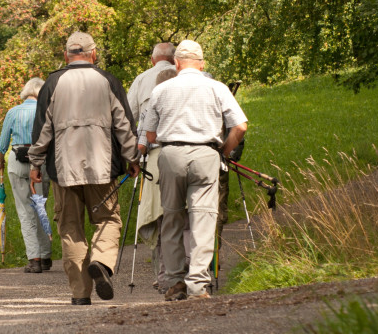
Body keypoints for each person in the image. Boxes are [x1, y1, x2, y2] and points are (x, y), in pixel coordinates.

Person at [29, 32, 141, 305]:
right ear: (93, 54)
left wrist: (35, 163)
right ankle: (102, 262)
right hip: (102, 167)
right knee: (107, 219)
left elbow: (42, 130)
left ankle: (80, 294)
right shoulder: (108, 81)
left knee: (70, 227)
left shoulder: (52, 83)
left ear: (66, 55)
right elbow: (123, 125)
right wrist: (133, 158)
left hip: (62, 170)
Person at [141, 39, 247, 300]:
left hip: (171, 154)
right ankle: (198, 284)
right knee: (203, 219)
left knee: (172, 218)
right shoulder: (217, 88)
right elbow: (241, 126)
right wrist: (222, 151)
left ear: (176, 63)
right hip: (206, 154)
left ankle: (175, 281)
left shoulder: (162, 90)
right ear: (202, 64)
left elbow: (150, 134)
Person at [0, 77, 52, 274]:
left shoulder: (13, 112)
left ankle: (34, 259)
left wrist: (0, 160)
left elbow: (2, 144)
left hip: (18, 162)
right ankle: (45, 256)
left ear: (26, 91)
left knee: (25, 210)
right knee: (40, 207)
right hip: (42, 163)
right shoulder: (46, 111)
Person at [135, 67, 182, 293]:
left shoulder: (151, 106)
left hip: (157, 164)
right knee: (187, 221)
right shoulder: (188, 103)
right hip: (188, 159)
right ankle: (192, 276)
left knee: (163, 221)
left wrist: (135, 159)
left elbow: (142, 142)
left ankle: (165, 278)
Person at [126, 42, 176, 123]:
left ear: (152, 60)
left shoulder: (140, 79)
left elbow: (129, 115)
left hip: (147, 132)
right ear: (174, 59)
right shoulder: (183, 74)